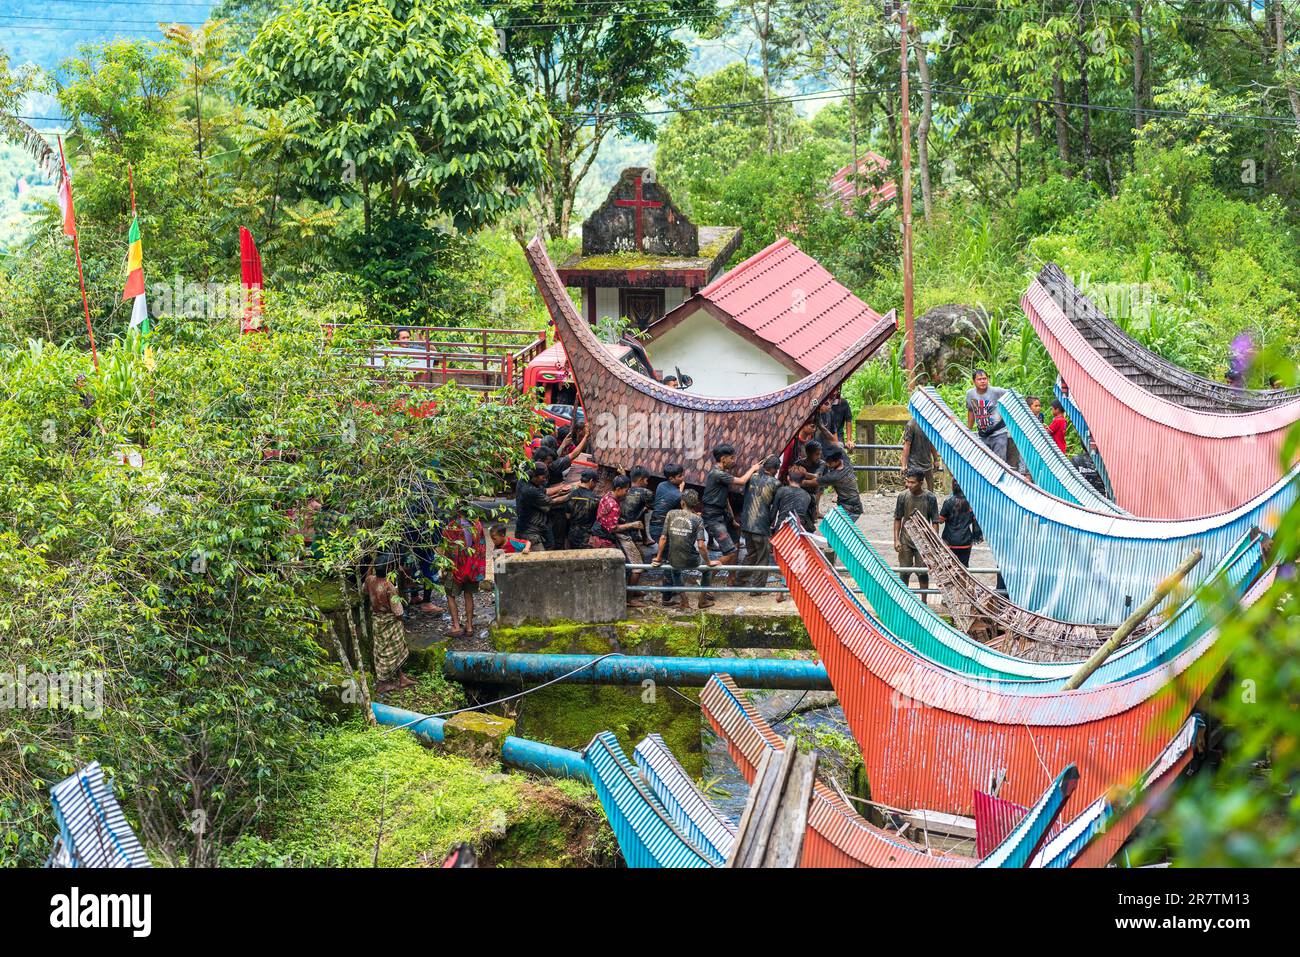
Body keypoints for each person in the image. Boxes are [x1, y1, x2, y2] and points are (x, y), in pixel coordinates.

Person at [702, 445, 761, 581]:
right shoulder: (718, 474)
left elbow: (725, 498)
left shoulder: (722, 473)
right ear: (723, 459)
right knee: (730, 552)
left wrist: (732, 519)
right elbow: (741, 481)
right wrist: (753, 468)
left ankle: (731, 576)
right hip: (713, 516)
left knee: (736, 543)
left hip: (723, 513)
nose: (734, 461)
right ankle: (707, 579)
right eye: (731, 458)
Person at [652, 490, 719, 609]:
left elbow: (663, 538)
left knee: (675, 572)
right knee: (707, 570)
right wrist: (708, 562)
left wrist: (658, 558)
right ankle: (702, 601)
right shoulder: (697, 519)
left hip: (673, 559)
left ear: (682, 502)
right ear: (695, 504)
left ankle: (685, 601)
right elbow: (701, 546)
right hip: (691, 560)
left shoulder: (671, 514)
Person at [589, 475, 647, 604]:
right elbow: (613, 528)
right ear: (619, 489)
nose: (627, 493)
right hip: (605, 537)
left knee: (633, 560)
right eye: (626, 490)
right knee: (636, 566)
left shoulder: (607, 495)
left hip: (599, 533)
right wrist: (633, 525)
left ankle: (632, 589)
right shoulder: (613, 504)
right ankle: (628, 599)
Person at [365, 557, 415, 693]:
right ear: (389, 569)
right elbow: (398, 610)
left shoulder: (370, 581)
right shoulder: (388, 586)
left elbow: (365, 587)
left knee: (384, 649)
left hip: (377, 620)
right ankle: (382, 683)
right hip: (390, 620)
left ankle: (401, 677)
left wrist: (371, 563)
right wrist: (401, 621)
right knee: (392, 651)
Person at [894, 467, 940, 599]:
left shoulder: (930, 497)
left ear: (921, 482)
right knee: (904, 571)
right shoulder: (903, 496)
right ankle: (903, 600)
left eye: (912, 482)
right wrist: (896, 539)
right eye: (907, 481)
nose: (909, 485)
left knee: (923, 572)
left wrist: (933, 542)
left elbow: (935, 522)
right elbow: (898, 518)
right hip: (906, 539)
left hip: (923, 540)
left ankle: (924, 600)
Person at [738, 456, 782, 594]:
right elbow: (774, 508)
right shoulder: (776, 483)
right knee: (763, 557)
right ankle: (757, 589)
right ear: (774, 469)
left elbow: (745, 497)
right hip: (761, 524)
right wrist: (770, 524)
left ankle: (740, 579)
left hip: (746, 523)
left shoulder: (752, 477)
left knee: (751, 553)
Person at [441, 515, 486, 639]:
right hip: (472, 566)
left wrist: (444, 566)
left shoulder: (452, 526)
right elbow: (481, 547)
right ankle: (470, 626)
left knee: (450, 595)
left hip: (455, 567)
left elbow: (447, 547)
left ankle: (456, 626)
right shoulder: (477, 524)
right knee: (468, 595)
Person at [965, 369, 1009, 462]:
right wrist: (968, 430)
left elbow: (1012, 396)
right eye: (979, 379)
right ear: (974, 381)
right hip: (983, 435)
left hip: (999, 433)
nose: (983, 381)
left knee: (1000, 463)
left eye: (984, 378)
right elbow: (971, 411)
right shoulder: (970, 394)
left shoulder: (997, 391)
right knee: (987, 463)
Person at [937, 481, 981, 567]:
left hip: (949, 541)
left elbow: (941, 520)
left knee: (949, 568)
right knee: (964, 568)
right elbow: (975, 522)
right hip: (965, 541)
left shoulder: (948, 502)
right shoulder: (972, 503)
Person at [815, 446, 863, 519]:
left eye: (830, 463)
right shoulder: (846, 461)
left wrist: (799, 477)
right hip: (853, 505)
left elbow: (812, 482)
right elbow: (834, 442)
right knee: (830, 528)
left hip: (850, 509)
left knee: (832, 529)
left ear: (837, 461)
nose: (827, 465)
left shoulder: (834, 476)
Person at [514, 464, 552, 550]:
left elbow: (545, 492)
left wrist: (561, 489)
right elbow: (551, 501)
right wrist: (569, 494)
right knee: (538, 559)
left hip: (528, 528)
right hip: (529, 532)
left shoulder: (524, 481)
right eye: (543, 477)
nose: (545, 480)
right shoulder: (530, 490)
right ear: (535, 476)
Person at [899, 417, 940, 491]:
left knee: (930, 492)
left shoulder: (930, 424)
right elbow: (907, 445)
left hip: (927, 464)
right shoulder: (911, 425)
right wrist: (904, 465)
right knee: (916, 490)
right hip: (914, 464)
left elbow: (932, 443)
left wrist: (936, 459)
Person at [648, 463, 685, 543]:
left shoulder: (661, 485)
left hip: (652, 527)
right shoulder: (678, 495)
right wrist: (680, 490)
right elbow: (681, 503)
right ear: (671, 478)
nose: (683, 477)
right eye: (680, 476)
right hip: (662, 532)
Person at [771, 465, 813, 533]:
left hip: (781, 527)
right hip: (797, 530)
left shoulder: (781, 490)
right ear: (803, 481)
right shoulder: (807, 496)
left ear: (788, 478)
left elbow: (773, 512)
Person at [564, 470, 601, 548]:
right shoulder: (595, 499)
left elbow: (567, 516)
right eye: (595, 483)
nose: (595, 485)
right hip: (587, 537)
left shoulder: (571, 495)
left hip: (572, 534)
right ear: (591, 481)